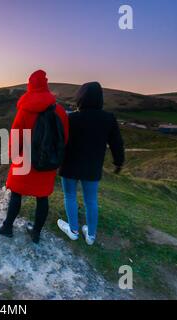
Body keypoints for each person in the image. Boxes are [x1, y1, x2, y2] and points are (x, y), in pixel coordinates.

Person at [0, 70, 69, 243]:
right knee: (42, 198)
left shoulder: (25, 110)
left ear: (30, 86)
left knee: (16, 194)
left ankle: (7, 228)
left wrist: (14, 157)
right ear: (46, 85)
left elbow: (16, 135)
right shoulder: (60, 111)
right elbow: (64, 138)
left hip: (25, 160)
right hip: (47, 161)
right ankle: (35, 233)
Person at [58, 82, 124, 245]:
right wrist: (118, 162)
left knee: (70, 196)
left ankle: (73, 230)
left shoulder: (71, 118)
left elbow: (61, 141)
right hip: (92, 166)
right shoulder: (108, 119)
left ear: (80, 98)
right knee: (91, 200)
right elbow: (117, 143)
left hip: (69, 164)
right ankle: (91, 235)